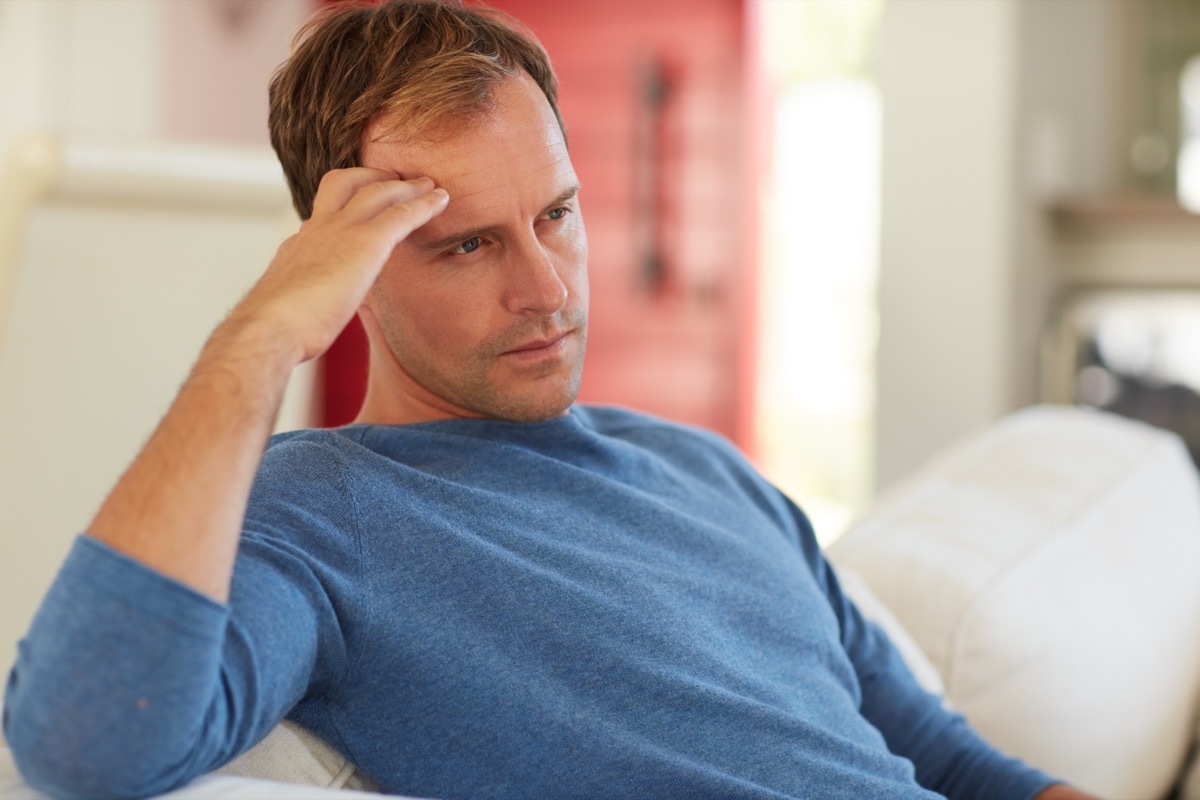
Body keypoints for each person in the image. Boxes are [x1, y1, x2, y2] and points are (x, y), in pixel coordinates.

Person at [3, 2, 1096, 799]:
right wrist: (262, 333)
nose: (546, 289)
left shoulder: (704, 469)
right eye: (467, 242)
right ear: (348, 265)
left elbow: (945, 759)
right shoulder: (322, 518)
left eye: (558, 215)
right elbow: (84, 743)